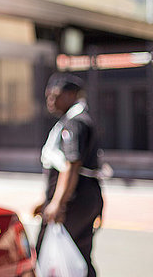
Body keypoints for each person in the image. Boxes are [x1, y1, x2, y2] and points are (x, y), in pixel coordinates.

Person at [34, 73, 103, 277]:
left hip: (74, 200)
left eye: (55, 95)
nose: (50, 100)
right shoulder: (79, 119)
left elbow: (71, 165)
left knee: (47, 250)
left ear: (72, 95)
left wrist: (57, 203)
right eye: (48, 95)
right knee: (79, 255)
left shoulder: (75, 123)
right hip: (84, 197)